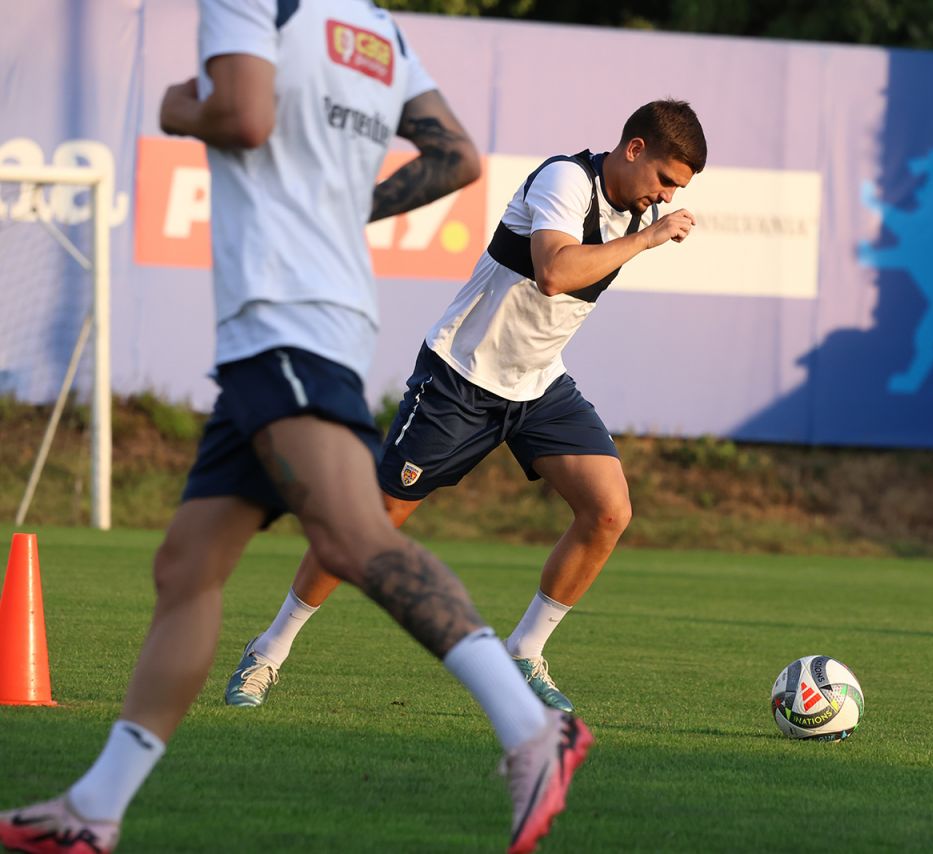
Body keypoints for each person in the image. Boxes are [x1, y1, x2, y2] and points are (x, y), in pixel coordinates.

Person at [0, 2, 590, 853]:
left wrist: (176, 109)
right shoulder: (375, 28)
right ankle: (95, 808)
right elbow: (455, 157)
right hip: (308, 319)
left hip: (281, 317)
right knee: (187, 567)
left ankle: (530, 731)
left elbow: (241, 114)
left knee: (357, 535)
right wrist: (344, 209)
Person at [223, 99, 707, 714]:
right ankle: (268, 651)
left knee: (609, 511)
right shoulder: (565, 180)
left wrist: (642, 231)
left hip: (537, 386)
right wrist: (648, 239)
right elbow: (554, 272)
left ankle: (524, 652)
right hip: (461, 378)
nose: (664, 199)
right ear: (635, 149)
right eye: (665, 180)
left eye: (676, 192)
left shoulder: (634, 210)